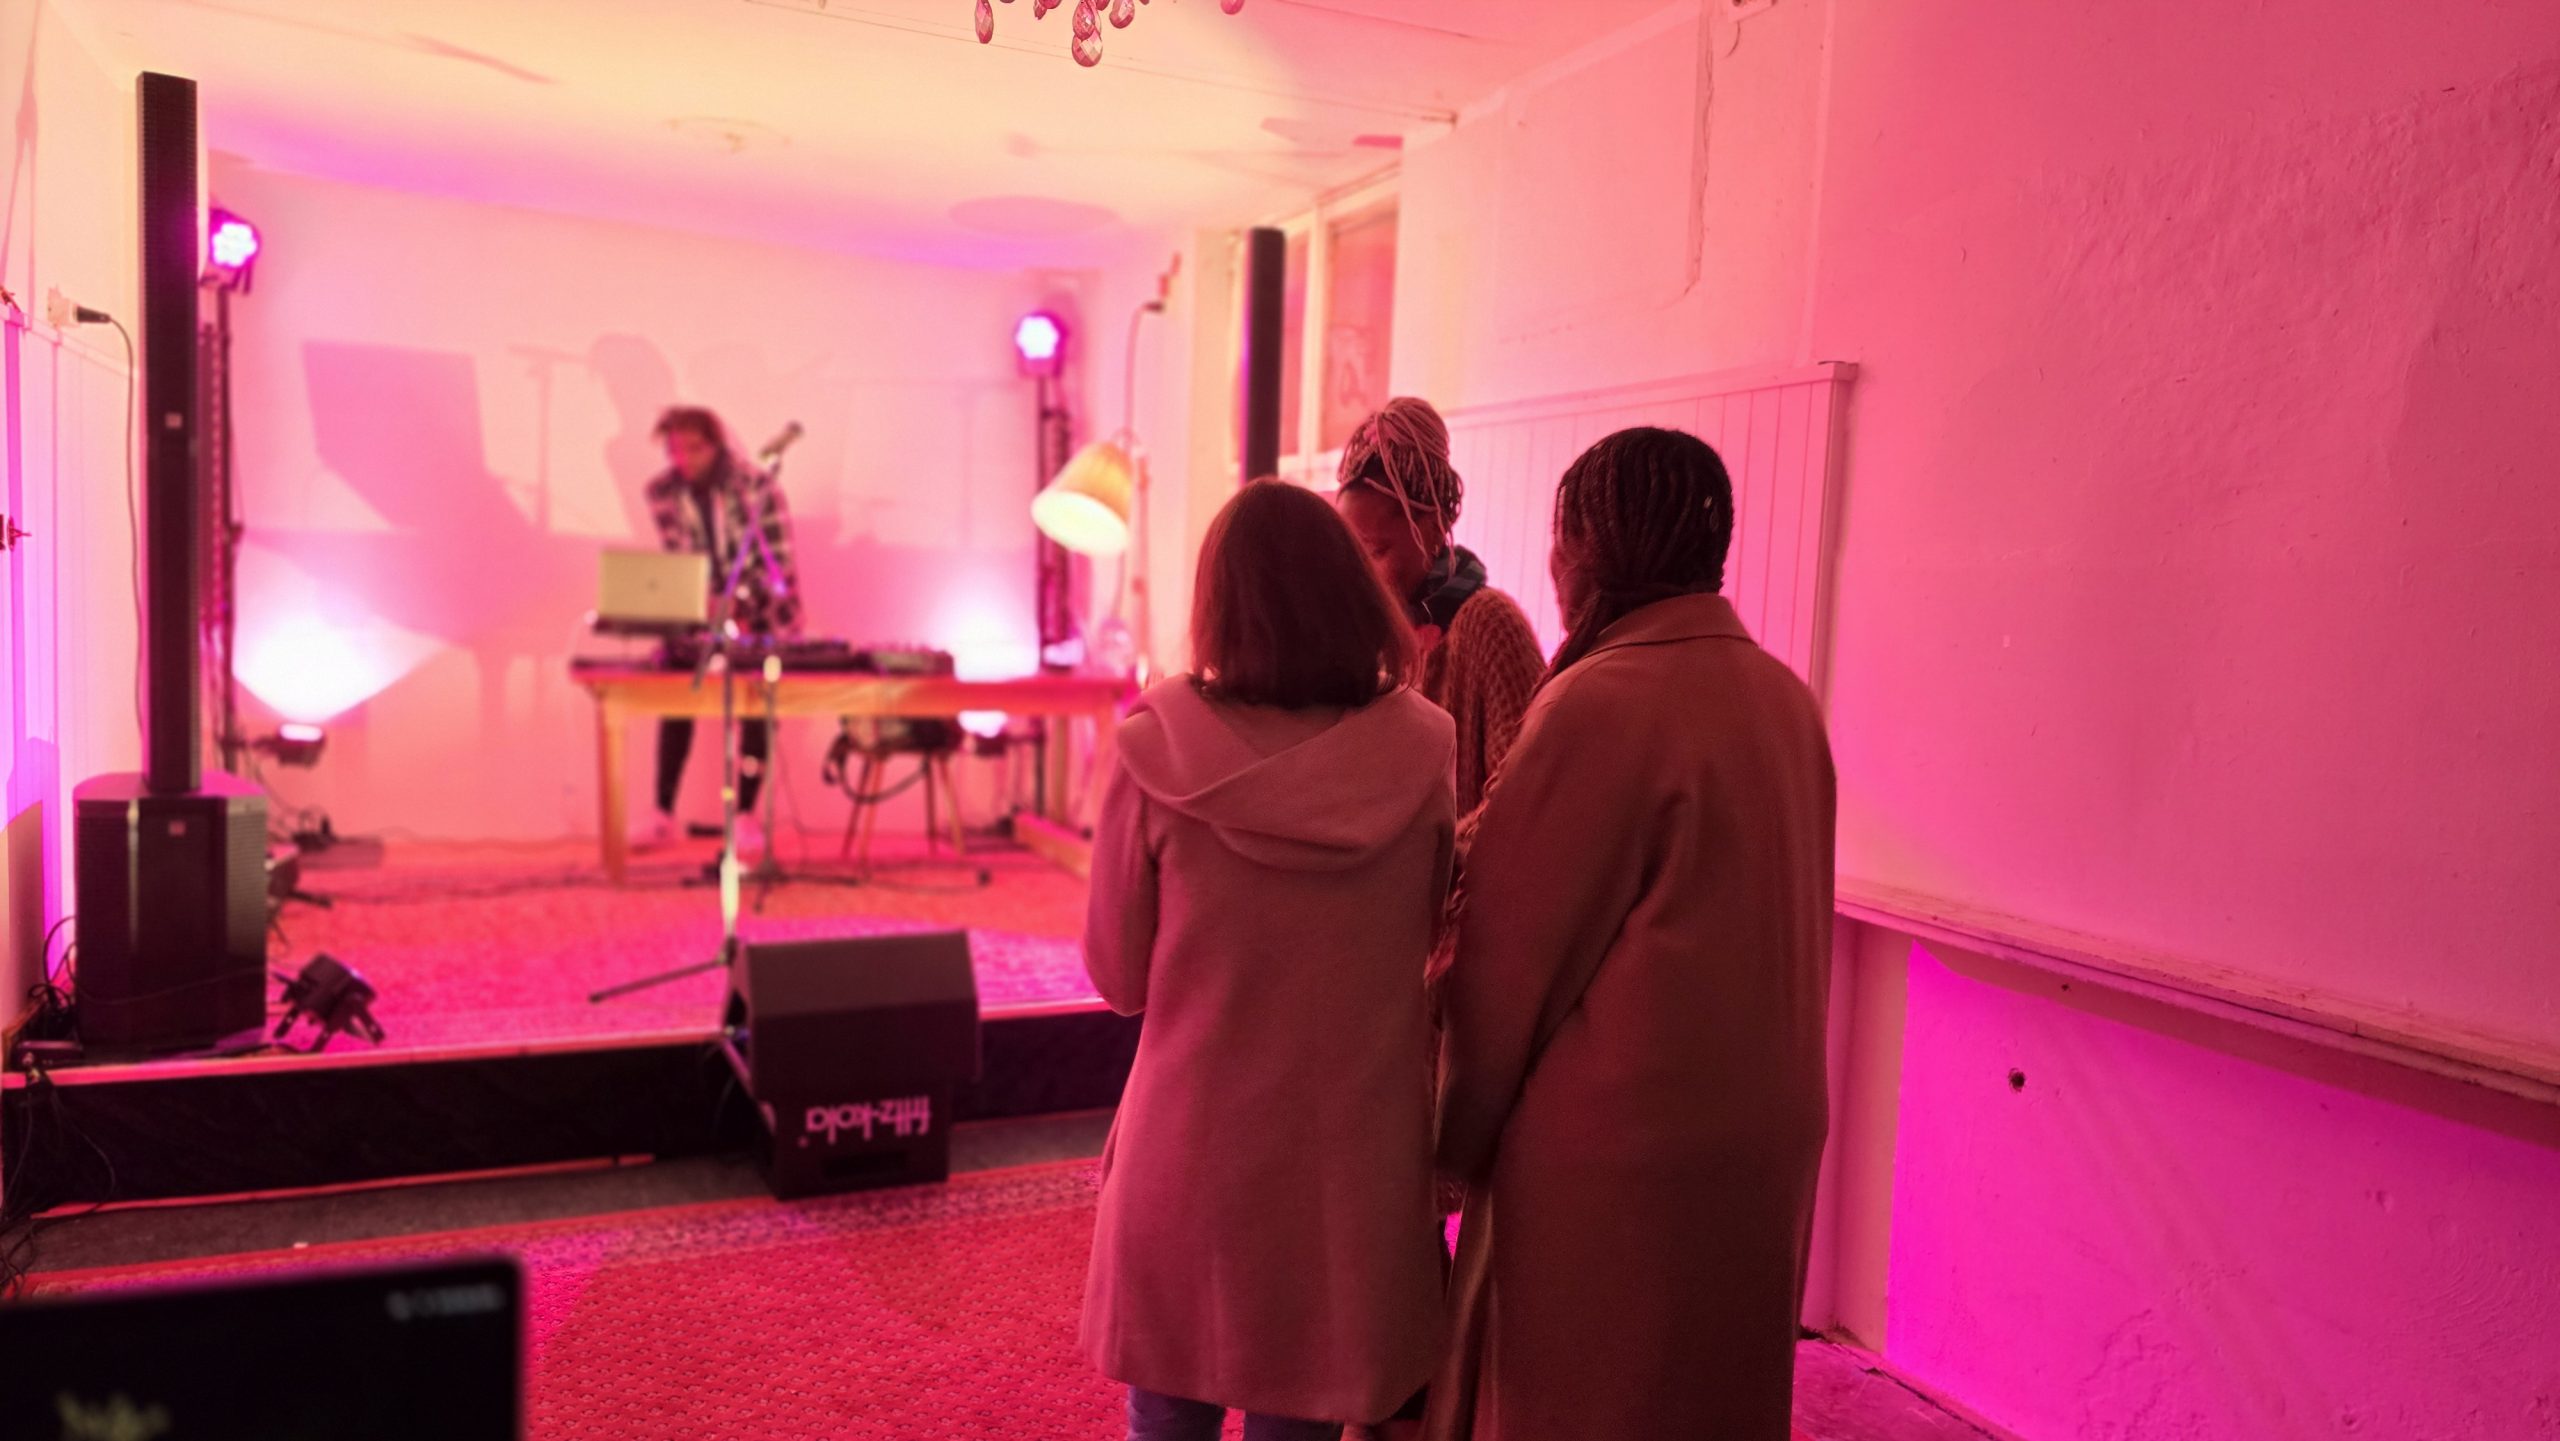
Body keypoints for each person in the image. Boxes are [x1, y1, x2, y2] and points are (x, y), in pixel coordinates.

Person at [1426, 428, 1836, 1441]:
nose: (1553, 564)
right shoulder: (1786, 701)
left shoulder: (1597, 701)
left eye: (1560, 539)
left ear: (1592, 549)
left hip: (1614, 1163)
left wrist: (1445, 1142)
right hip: (1761, 1141)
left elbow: (1507, 970)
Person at [1082, 480, 1455, 1441]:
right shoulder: (1423, 748)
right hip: (1346, 1166)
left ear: (1218, 603)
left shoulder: (1153, 749)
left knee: (1169, 1413)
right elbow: (1424, 938)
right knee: (1304, 1417)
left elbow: (1117, 979)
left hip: (1190, 1150)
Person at [1334, 399, 1545, 815]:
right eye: (1349, 555)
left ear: (1432, 529)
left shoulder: (1490, 625)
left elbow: (1525, 802)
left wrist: (1431, 847)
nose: (1358, 576)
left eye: (1375, 551)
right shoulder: (1354, 636)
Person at [640, 405, 803, 853]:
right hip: (703, 611)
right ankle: (662, 813)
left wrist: (739, 602)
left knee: (755, 705)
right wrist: (699, 603)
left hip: (763, 612)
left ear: (716, 446)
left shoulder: (756, 487)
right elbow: (680, 560)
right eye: (675, 450)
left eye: (694, 449)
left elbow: (779, 564)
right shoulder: (662, 493)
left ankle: (746, 814)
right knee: (678, 694)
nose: (683, 459)